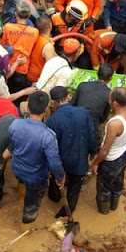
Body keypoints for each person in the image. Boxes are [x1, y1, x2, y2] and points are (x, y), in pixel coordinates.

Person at [9, 91, 65, 231]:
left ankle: (20, 192)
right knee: (31, 204)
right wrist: (60, 177)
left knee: (22, 182)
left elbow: (13, 144)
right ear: (46, 110)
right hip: (35, 176)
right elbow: (54, 162)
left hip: (17, 168)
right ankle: (26, 229)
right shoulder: (48, 136)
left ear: (28, 107)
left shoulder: (15, 124)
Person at [46, 86, 96, 216]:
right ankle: (67, 212)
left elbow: (51, 146)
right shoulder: (82, 112)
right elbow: (91, 133)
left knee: (56, 181)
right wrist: (92, 151)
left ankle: (54, 197)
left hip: (61, 161)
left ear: (53, 102)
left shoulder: (52, 120)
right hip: (79, 159)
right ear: (68, 97)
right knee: (74, 188)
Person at [89, 87, 126, 213]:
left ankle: (104, 211)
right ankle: (114, 206)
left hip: (111, 160)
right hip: (124, 154)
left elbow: (105, 149)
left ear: (114, 103)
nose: (108, 100)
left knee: (104, 188)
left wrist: (95, 163)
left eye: (110, 98)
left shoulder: (114, 124)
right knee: (118, 182)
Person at [0, 1, 39, 94]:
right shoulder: (35, 32)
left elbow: (1, 45)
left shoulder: (7, 27)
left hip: (8, 67)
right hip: (23, 69)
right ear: (29, 15)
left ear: (15, 14)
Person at [71, 63, 113, 136]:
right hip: (92, 127)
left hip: (75, 122)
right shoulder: (109, 93)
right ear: (110, 79)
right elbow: (104, 116)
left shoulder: (82, 85)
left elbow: (72, 104)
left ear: (97, 73)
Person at [27, 15, 57, 83]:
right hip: (38, 80)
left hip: (28, 75)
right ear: (50, 26)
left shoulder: (33, 38)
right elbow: (52, 68)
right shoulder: (47, 46)